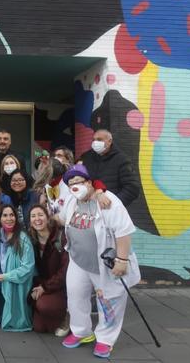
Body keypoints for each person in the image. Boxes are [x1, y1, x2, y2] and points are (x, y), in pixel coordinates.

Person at [58, 164, 140, 359]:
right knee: (75, 296)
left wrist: (121, 260)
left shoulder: (108, 201)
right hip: (78, 260)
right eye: (71, 184)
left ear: (89, 183)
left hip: (104, 264)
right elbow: (62, 219)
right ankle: (80, 331)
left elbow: (124, 231)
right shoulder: (71, 201)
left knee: (109, 301)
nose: (74, 186)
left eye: (78, 182)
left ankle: (105, 338)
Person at [0, 204, 35, 332]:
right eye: (5, 215)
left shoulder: (23, 238)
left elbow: (28, 267)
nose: (9, 218)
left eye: (11, 215)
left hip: (17, 279)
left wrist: (7, 276)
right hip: (1, 276)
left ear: (16, 217)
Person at [27, 204, 69, 335]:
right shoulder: (31, 239)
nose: (37, 219)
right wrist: (37, 286)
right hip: (42, 284)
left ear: (47, 217)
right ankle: (51, 315)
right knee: (39, 327)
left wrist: (45, 287)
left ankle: (68, 314)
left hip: (60, 286)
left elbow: (65, 271)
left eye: (40, 215)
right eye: (33, 216)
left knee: (44, 306)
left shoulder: (60, 237)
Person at [78, 129, 141, 207]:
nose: (95, 142)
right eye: (93, 140)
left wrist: (114, 203)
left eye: (99, 139)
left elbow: (132, 188)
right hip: (89, 209)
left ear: (109, 141)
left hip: (109, 210)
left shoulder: (121, 160)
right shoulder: (86, 157)